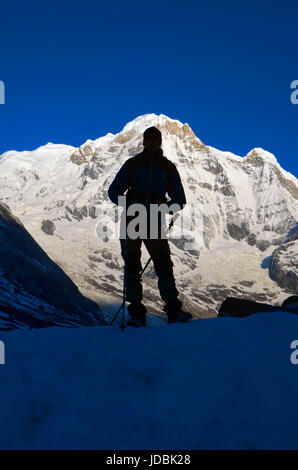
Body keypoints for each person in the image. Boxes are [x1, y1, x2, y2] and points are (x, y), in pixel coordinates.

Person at [108, 126, 192, 326]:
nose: (152, 142)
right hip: (134, 216)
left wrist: (167, 208)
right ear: (144, 141)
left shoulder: (166, 167)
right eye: (149, 139)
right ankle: (138, 313)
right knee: (133, 265)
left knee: (162, 264)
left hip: (150, 217)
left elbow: (180, 198)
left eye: (155, 139)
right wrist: (130, 205)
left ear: (159, 142)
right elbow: (114, 190)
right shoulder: (134, 164)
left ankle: (171, 310)